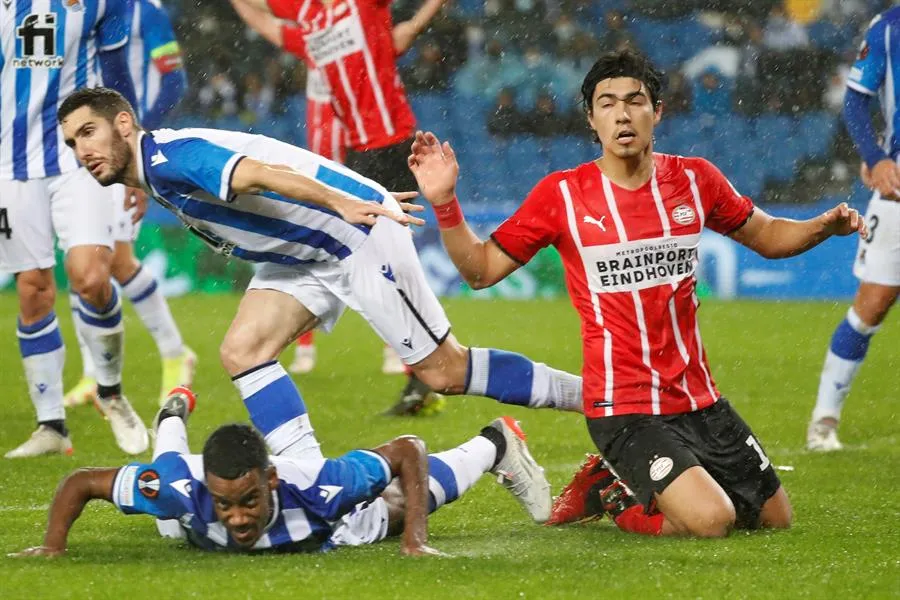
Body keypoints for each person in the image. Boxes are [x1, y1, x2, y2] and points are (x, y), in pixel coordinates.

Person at [406, 48, 868, 537]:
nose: (622, 114)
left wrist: (821, 227)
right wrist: (446, 203)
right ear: (591, 119)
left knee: (774, 519)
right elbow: (480, 270)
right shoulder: (561, 195)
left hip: (699, 399)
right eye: (607, 103)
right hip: (621, 407)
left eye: (635, 100)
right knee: (712, 522)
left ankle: (627, 480)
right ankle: (612, 494)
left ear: (658, 111)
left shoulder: (695, 180)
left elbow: (769, 236)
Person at [57, 87, 584, 465]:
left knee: (444, 372)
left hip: (353, 236)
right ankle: (310, 478)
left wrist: (341, 201)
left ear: (124, 124)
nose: (83, 151)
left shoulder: (171, 159)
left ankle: (595, 395)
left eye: (89, 133)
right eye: (72, 143)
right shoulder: (156, 165)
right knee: (243, 351)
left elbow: (262, 174)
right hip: (302, 256)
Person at [12, 386, 550, 556]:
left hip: (319, 516)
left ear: (269, 482)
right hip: (181, 487)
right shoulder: (184, 492)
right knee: (165, 497)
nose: (239, 518)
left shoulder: (321, 486)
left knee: (394, 509)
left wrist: (415, 539)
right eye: (226, 506)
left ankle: (493, 444)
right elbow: (82, 482)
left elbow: (407, 447)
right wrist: (54, 548)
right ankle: (172, 412)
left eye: (248, 502)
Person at [230, 0, 449, 414]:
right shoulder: (310, 19)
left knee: (386, 262)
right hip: (362, 154)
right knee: (381, 261)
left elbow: (265, 14)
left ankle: (426, 368)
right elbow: (262, 15)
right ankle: (421, 371)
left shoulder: (360, 7)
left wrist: (418, 21)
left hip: (393, 144)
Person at [1, 0, 148, 458]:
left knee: (90, 278)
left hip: (77, 157)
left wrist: (134, 153)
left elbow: (117, 78)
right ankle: (51, 425)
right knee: (32, 288)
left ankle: (110, 390)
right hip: (10, 162)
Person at [64, 0, 197, 411]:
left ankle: (174, 353)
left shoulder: (146, 13)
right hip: (78, 148)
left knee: (111, 262)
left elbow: (174, 80)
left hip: (119, 147)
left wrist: (136, 134)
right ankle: (93, 371)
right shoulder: (70, 12)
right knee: (87, 260)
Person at [806, 7, 900, 451]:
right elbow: (855, 98)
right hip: (898, 182)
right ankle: (824, 419)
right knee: (873, 304)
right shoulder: (889, 28)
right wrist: (875, 155)